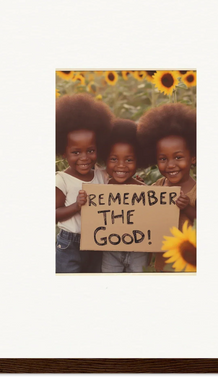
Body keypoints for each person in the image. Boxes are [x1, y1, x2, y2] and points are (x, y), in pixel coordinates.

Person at [55, 93, 114, 273]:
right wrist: (76, 206)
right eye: (76, 152)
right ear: (63, 152)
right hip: (69, 245)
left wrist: (135, 184)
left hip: (97, 242)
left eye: (90, 150)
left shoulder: (101, 175)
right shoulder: (61, 180)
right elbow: (53, 214)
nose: (84, 158)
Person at [137, 103, 196, 272]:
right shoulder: (158, 186)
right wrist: (139, 188)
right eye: (163, 159)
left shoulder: (197, 191)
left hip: (190, 263)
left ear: (193, 158)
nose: (170, 165)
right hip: (161, 263)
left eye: (178, 157)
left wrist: (187, 208)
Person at [101, 118, 149, 273]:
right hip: (110, 249)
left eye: (129, 160)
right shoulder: (102, 189)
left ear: (139, 161)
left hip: (139, 250)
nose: (121, 165)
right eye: (114, 159)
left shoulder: (144, 190)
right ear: (105, 160)